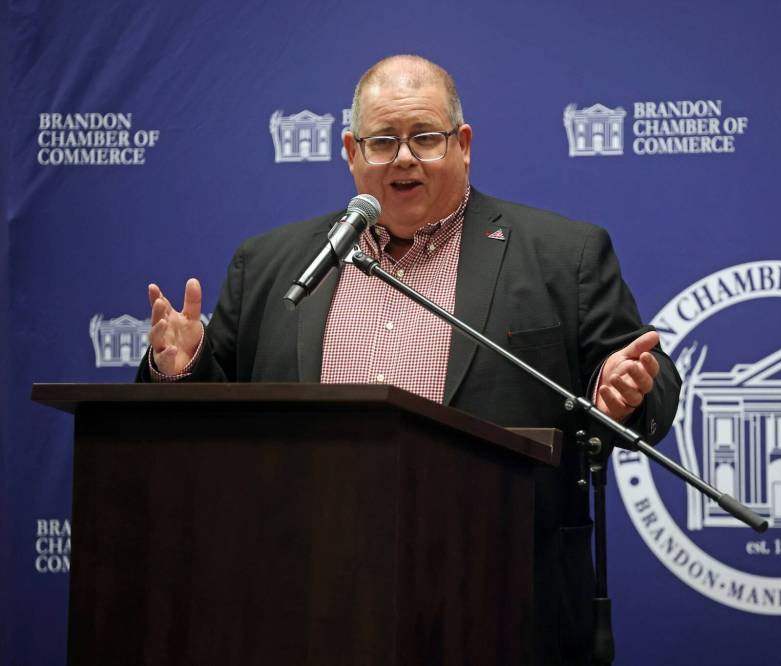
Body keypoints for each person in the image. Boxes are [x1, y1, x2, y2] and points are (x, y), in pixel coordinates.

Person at [140, 54, 681, 664]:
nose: (404, 157)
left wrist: (624, 394)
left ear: (463, 144)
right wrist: (178, 370)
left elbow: (651, 385)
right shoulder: (269, 263)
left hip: (500, 597)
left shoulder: (564, 254)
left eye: (425, 137)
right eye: (382, 141)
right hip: (303, 594)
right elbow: (216, 425)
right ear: (351, 151)